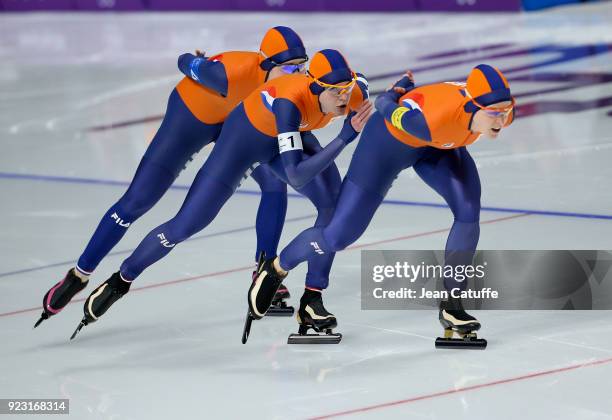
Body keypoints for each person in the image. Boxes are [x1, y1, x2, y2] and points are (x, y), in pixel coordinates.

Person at [70, 49, 373, 339]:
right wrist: (345, 137)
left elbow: (377, 103)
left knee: (333, 207)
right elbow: (296, 173)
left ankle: (311, 298)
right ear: (315, 86)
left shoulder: (352, 94)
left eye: (346, 88)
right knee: (185, 225)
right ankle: (121, 279)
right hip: (242, 143)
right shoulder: (288, 103)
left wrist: (397, 97)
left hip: (284, 140)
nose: (343, 97)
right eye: (335, 91)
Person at [35, 26, 309, 328]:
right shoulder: (229, 73)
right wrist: (196, 63)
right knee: (137, 201)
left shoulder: (290, 86)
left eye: (302, 66)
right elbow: (183, 62)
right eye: (291, 68)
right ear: (267, 65)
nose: (298, 73)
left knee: (274, 184)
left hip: (235, 123)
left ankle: (264, 272)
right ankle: (79, 274)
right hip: (192, 117)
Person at [251, 64, 515, 347]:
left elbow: (471, 107)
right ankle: (276, 268)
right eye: (494, 113)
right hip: (387, 145)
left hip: (436, 146)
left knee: (468, 211)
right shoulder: (429, 120)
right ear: (473, 106)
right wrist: (395, 93)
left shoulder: (497, 113)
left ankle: (452, 306)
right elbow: (384, 104)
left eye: (506, 110)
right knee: (337, 236)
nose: (502, 119)